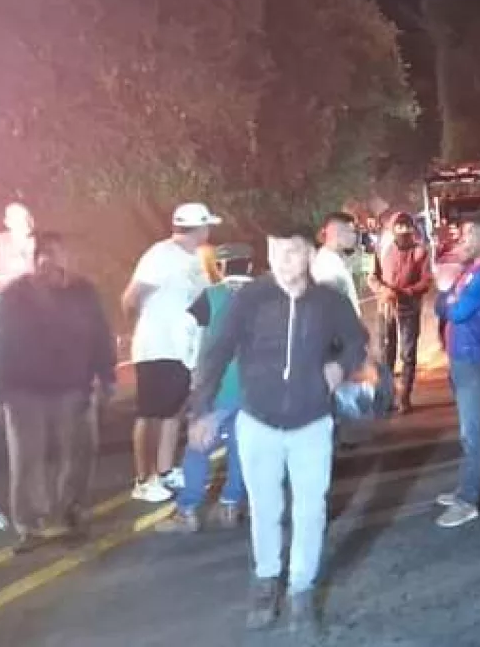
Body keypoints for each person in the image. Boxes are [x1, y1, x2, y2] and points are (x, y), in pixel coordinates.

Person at [189, 223, 367, 634]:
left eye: (291, 252)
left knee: (311, 510)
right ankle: (266, 581)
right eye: (274, 252)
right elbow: (217, 352)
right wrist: (201, 410)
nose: (281, 261)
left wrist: (340, 366)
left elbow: (356, 340)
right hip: (259, 422)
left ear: (309, 255)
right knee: (265, 509)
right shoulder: (250, 299)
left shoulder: (329, 301)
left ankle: (301, 590)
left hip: (312, 423)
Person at [0, 232, 114, 552]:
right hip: (23, 391)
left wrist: (106, 377)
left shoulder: (83, 292)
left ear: (67, 258)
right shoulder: (14, 295)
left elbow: (100, 334)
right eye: (43, 255)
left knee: (79, 453)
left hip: (74, 388)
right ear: (34, 260)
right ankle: (30, 524)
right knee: (28, 459)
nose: (49, 262)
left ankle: (72, 513)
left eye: (55, 254)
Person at [121, 203, 219, 502]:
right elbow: (131, 298)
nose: (209, 230)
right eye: (207, 225)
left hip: (183, 349)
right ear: (198, 227)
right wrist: (144, 329)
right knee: (150, 412)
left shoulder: (197, 259)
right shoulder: (161, 254)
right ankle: (143, 479)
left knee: (173, 410)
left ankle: (164, 471)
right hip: (157, 346)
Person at [157, 243, 254, 533]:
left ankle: (187, 510)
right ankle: (230, 505)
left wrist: (191, 362)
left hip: (218, 384)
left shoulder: (212, 296)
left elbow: (182, 329)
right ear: (250, 266)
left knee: (198, 446)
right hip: (255, 387)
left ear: (221, 268)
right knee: (241, 446)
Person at [433, 214, 480, 529]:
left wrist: (449, 298)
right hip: (461, 356)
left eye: (468, 237)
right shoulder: (473, 271)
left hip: (473, 358)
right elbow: (441, 303)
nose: (462, 242)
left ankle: (469, 500)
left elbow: (457, 311)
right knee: (469, 428)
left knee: (472, 429)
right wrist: (448, 297)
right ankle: (466, 487)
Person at [371, 211, 433, 413]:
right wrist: (383, 290)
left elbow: (426, 281)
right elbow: (372, 277)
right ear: (393, 229)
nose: (403, 230)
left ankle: (404, 397)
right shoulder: (382, 250)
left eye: (407, 226)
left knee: (407, 354)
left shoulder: (420, 252)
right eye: (399, 226)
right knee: (385, 353)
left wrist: (405, 292)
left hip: (409, 309)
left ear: (412, 229)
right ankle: (387, 397)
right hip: (386, 308)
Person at [312, 212, 361, 312]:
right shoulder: (326, 266)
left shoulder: (335, 259)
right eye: (351, 231)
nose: (354, 236)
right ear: (338, 233)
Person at [0, 202, 35, 289]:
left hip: (29, 293)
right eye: (13, 218)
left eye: (21, 219)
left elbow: (40, 278)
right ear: (6, 222)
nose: (19, 223)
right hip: (2, 292)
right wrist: (6, 279)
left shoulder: (36, 244)